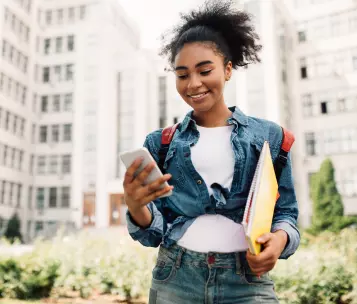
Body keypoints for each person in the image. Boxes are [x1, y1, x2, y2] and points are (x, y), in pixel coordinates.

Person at [123, 1, 300, 303]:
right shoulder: (161, 144)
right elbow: (152, 234)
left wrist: (279, 240)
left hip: (246, 280)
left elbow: (286, 213)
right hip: (175, 278)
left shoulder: (269, 137)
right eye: (182, 74)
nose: (193, 84)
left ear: (228, 70)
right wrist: (136, 208)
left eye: (205, 70)